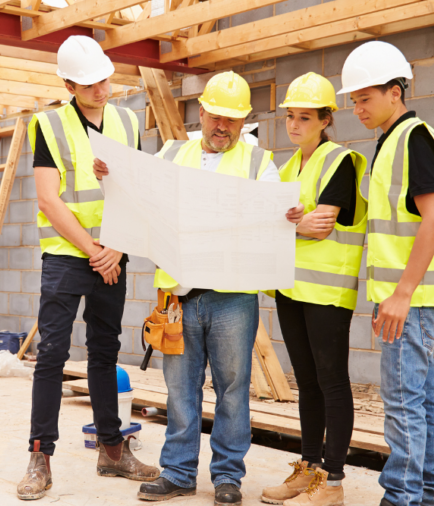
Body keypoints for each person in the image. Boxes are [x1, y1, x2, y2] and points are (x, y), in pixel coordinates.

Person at [96, 71, 303, 506]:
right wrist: (108, 178)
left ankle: (227, 477)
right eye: (215, 117)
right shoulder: (171, 153)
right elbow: (137, 199)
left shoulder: (257, 163)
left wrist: (287, 213)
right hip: (178, 295)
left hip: (232, 297)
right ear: (202, 113)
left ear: (243, 119)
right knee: (180, 389)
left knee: (232, 389)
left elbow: (273, 210)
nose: (221, 127)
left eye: (231, 119)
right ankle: (178, 473)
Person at [17, 36, 159, 501]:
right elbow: (47, 198)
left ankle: (112, 451)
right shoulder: (48, 124)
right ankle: (41, 456)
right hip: (67, 254)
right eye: (89, 83)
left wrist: (114, 249)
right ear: (68, 84)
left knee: (104, 352)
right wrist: (94, 248)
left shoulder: (126, 120)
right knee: (53, 355)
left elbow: (135, 189)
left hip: (111, 255)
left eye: (104, 78)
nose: (101, 88)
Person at [340, 41, 434, 506]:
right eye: (353, 101)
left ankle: (402, 497)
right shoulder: (391, 140)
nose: (357, 108)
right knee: (422, 401)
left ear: (395, 91)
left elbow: (432, 219)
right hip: (407, 296)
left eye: (365, 98)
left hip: (409, 298)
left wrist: (401, 294)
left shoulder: (414, 138)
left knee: (402, 403)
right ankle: (433, 494)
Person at [259, 73, 368, 506]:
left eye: (305, 117)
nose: (294, 124)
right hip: (291, 288)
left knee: (331, 382)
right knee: (306, 382)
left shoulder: (339, 161)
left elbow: (321, 226)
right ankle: (308, 469)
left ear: (326, 120)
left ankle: (334, 481)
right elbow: (270, 225)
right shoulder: (287, 168)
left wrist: (289, 224)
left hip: (326, 292)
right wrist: (289, 224)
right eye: (290, 116)